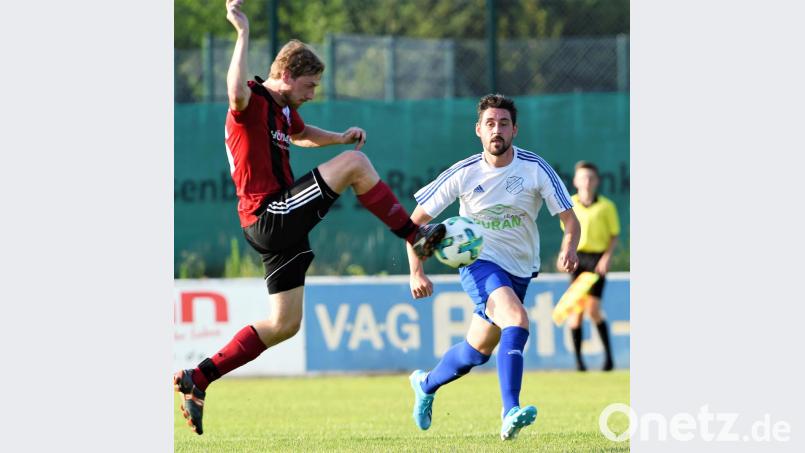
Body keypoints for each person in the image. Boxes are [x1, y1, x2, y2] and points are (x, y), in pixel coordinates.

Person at [173, 0, 446, 435]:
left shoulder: (283, 110)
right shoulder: (253, 100)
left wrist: (337, 137)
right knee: (356, 165)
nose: (313, 93)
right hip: (267, 213)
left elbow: (300, 135)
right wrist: (242, 33)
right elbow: (234, 93)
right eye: (310, 85)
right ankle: (413, 234)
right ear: (285, 75)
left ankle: (199, 377)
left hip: (275, 222)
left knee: (285, 323)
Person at [405, 94, 581, 441]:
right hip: (478, 265)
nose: (496, 129)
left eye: (503, 123)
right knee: (517, 320)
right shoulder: (464, 173)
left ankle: (425, 383)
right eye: (489, 123)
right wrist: (416, 271)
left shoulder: (534, 168)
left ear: (515, 129)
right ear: (478, 130)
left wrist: (569, 246)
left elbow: (569, 219)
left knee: (477, 351)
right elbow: (413, 224)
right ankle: (509, 411)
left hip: (519, 270)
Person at [565, 161, 620, 372]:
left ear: (596, 181)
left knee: (594, 309)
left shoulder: (606, 206)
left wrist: (606, 258)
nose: (587, 181)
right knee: (576, 311)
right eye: (583, 177)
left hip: (597, 260)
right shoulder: (570, 204)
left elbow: (613, 235)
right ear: (576, 181)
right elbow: (568, 233)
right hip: (578, 258)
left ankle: (609, 359)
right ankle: (579, 363)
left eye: (590, 177)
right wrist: (564, 253)